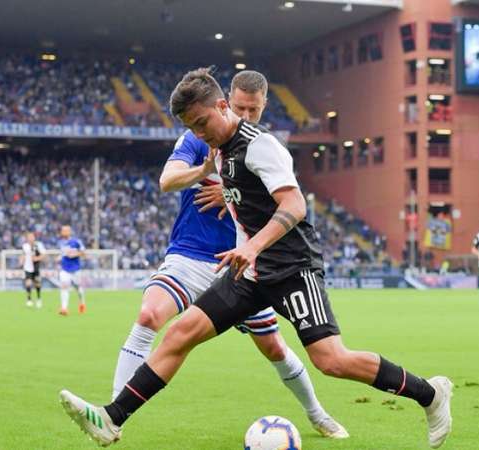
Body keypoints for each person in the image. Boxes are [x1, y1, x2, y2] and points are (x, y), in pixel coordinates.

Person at [59, 68, 453, 449]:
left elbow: (295, 204)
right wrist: (220, 195)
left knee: (331, 360)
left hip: (293, 267)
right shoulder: (218, 150)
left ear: (222, 105)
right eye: (191, 127)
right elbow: (205, 187)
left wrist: (251, 245)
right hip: (250, 272)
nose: (198, 133)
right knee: (180, 333)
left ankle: (430, 394)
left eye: (201, 122)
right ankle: (111, 419)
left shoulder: (260, 145)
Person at [109, 70, 346, 438]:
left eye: (253, 109)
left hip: (243, 263)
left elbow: (285, 201)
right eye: (240, 107)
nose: (246, 115)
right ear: (225, 103)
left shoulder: (262, 146)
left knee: (274, 347)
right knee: (149, 315)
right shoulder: (198, 135)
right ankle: (115, 412)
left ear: (263, 106)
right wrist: (204, 171)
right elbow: (166, 181)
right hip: (193, 253)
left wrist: (229, 192)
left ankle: (317, 413)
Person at [57, 225, 86, 315]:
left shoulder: (76, 242)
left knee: (78, 288)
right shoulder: (60, 242)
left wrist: (75, 254)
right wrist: (59, 258)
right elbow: (63, 254)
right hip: (64, 269)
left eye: (65, 230)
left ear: (69, 232)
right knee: (64, 286)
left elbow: (83, 253)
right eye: (62, 230)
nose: (63, 232)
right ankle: (64, 308)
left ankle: (82, 302)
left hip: (75, 269)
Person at [19, 232, 46, 308]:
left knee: (37, 283)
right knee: (28, 283)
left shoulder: (39, 245)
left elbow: (43, 255)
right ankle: (29, 299)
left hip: (36, 267)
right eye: (29, 237)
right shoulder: (25, 246)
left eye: (32, 237)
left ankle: (38, 298)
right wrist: (21, 261)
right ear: (27, 238)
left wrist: (37, 258)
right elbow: (23, 255)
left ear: (34, 237)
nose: (30, 238)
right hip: (27, 268)